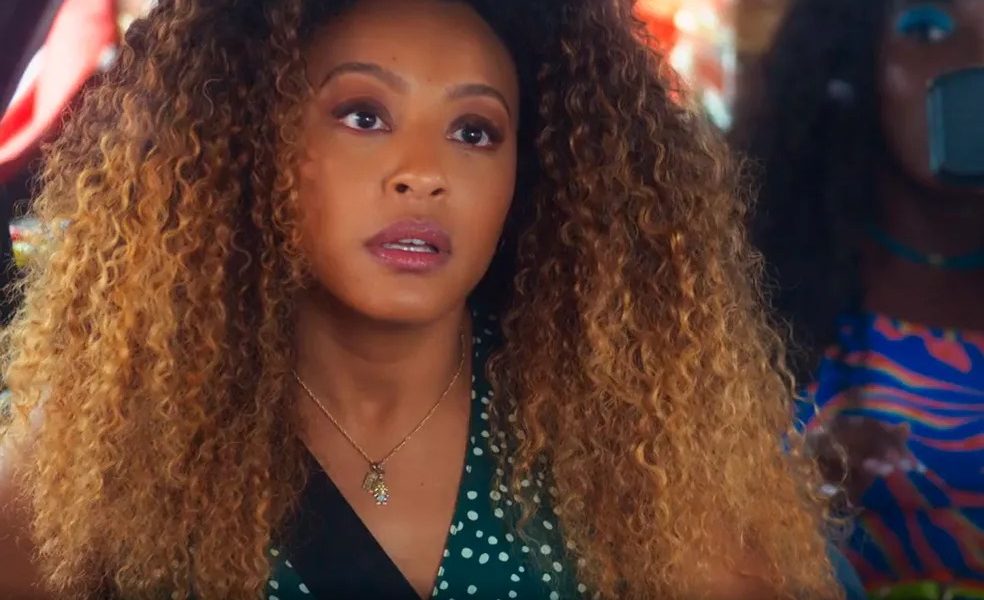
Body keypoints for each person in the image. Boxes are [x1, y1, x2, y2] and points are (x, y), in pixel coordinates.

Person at [0, 0, 848, 597]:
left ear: (530, 179)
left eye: (474, 131)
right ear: (254, 143)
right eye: (363, 115)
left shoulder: (631, 442)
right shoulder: (113, 441)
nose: (424, 173)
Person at [738, 0, 984, 597]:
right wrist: (804, 491)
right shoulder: (748, 278)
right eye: (929, 31)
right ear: (851, 62)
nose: (975, 63)